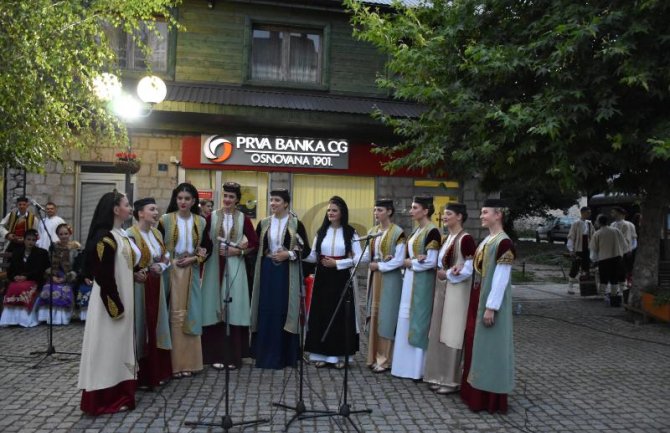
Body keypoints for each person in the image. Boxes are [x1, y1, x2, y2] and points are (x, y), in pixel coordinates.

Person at [78, 191, 141, 415]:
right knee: (107, 347)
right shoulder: (105, 238)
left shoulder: (120, 234)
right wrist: (116, 307)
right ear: (116, 209)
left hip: (123, 298)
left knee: (119, 348)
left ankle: (122, 393)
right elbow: (104, 275)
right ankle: (104, 398)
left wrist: (135, 275)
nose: (130, 208)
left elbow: (122, 266)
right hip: (110, 304)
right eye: (127, 204)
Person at [461, 199, 515, 414]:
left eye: (485, 212)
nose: (481, 215)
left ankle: (488, 397)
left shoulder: (504, 243)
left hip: (489, 301)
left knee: (490, 348)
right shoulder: (487, 240)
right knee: (476, 345)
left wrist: (491, 307)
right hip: (478, 296)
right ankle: (473, 392)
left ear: (498, 214)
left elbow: (501, 278)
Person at [250, 189, 310, 369]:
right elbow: (256, 248)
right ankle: (264, 354)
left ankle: (284, 355)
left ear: (286, 203)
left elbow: (305, 250)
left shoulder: (295, 224)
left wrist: (288, 254)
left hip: (286, 274)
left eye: (277, 200)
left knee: (283, 310)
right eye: (271, 200)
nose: (273, 203)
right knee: (265, 309)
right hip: (267, 272)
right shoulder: (264, 223)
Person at [201, 182, 259, 370]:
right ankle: (214, 355)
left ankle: (233, 357)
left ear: (237, 200)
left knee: (234, 308)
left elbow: (254, 243)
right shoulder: (211, 217)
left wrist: (239, 252)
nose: (227, 200)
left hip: (235, 267)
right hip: (213, 268)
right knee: (213, 305)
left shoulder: (244, 218)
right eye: (225, 196)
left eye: (231, 197)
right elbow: (204, 242)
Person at [304, 195, 364, 369]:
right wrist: (298, 251)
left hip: (341, 278)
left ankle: (339, 356)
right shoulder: (321, 232)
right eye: (329, 210)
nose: (330, 213)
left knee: (340, 316)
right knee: (321, 314)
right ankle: (320, 354)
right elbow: (314, 256)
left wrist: (338, 263)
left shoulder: (351, 233)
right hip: (322, 278)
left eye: (334, 210)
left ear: (342, 212)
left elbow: (363, 257)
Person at [158, 183, 211, 378]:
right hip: (170, 272)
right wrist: (168, 260)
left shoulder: (201, 221)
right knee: (171, 315)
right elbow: (158, 245)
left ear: (194, 201)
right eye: (180, 198)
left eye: (187, 199)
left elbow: (207, 247)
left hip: (191, 272)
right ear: (175, 199)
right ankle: (172, 364)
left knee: (190, 314)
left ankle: (190, 362)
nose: (183, 202)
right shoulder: (165, 220)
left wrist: (195, 258)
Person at [424, 203, 475, 394]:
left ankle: (450, 379)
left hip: (458, 291)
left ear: (460, 216)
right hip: (443, 289)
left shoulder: (466, 239)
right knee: (438, 330)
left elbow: (469, 269)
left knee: (452, 332)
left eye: (448, 214)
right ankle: (438, 375)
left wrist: (449, 275)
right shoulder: (447, 238)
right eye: (443, 214)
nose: (444, 217)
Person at [391, 195, 441, 380]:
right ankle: (403, 366)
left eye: (414, 207)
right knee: (406, 318)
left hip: (423, 282)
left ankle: (418, 369)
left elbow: (431, 261)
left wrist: (411, 263)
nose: (410, 211)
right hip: (410, 279)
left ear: (425, 210)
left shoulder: (432, 231)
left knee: (419, 321)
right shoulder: (416, 231)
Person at [126, 197, 173, 389]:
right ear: (140, 213)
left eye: (157, 209)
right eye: (152, 209)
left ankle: (158, 371)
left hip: (156, 284)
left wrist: (161, 265)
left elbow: (166, 256)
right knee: (141, 325)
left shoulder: (157, 234)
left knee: (158, 324)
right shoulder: (130, 234)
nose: (156, 213)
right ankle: (141, 375)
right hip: (140, 286)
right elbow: (128, 262)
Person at [362, 198, 406, 374]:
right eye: (374, 210)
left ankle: (385, 358)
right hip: (374, 276)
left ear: (389, 211)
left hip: (390, 278)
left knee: (387, 316)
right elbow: (367, 255)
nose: (376, 213)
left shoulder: (398, 232)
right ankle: (373, 356)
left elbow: (399, 259)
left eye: (379, 210)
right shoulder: (373, 231)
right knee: (375, 315)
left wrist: (380, 266)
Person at [0, 229, 50, 327]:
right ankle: (11, 319)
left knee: (23, 288)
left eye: (33, 240)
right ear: (24, 240)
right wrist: (15, 276)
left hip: (33, 279)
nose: (31, 242)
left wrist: (26, 276)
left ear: (36, 241)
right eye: (28, 239)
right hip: (17, 280)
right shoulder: (17, 252)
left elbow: (40, 270)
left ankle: (24, 319)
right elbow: (11, 270)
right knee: (13, 287)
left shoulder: (41, 253)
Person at [36, 223, 80, 325]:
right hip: (55, 274)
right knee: (48, 287)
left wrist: (66, 277)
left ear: (70, 234)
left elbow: (78, 267)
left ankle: (62, 318)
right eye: (61, 234)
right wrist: (52, 276)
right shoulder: (54, 247)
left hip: (70, 275)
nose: (64, 236)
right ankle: (48, 317)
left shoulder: (75, 247)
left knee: (63, 290)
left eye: (66, 233)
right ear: (58, 235)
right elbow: (49, 264)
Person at [590, 214, 626, 306]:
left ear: (599, 222)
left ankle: (602, 294)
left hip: (604, 258)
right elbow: (624, 244)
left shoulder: (597, 233)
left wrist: (594, 260)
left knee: (603, 277)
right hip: (617, 257)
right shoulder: (616, 231)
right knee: (614, 277)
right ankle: (614, 294)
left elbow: (594, 249)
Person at [610, 207, 638, 303]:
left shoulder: (629, 225)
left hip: (626, 251)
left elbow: (634, 239)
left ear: (620, 213)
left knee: (625, 271)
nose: (612, 214)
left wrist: (630, 249)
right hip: (614, 252)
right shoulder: (612, 225)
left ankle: (625, 290)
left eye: (614, 212)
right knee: (615, 271)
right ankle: (618, 289)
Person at [566, 207, 595, 294]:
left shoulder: (589, 224)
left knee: (586, 267)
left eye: (589, 213)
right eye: (587, 213)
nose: (589, 214)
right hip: (578, 248)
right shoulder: (576, 223)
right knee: (575, 266)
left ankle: (584, 286)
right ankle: (570, 286)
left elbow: (593, 235)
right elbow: (571, 237)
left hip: (587, 247)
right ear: (582, 213)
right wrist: (571, 249)